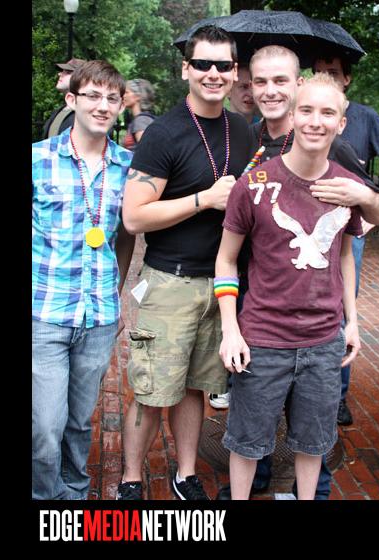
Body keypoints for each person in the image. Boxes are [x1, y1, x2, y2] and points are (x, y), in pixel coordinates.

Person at [214, 45, 379, 500]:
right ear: (292, 117)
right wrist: (231, 330)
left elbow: (345, 254)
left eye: (327, 113)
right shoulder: (254, 185)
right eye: (306, 111)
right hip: (263, 338)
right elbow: (226, 259)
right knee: (247, 442)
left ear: (341, 123)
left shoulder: (346, 187)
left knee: (313, 443)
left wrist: (352, 321)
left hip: (323, 341)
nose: (315, 121)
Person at [116, 25, 251, 501]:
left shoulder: (242, 129)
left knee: (196, 388)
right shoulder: (163, 133)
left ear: (234, 72)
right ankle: (131, 479)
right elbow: (134, 216)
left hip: (221, 285)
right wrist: (203, 200)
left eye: (223, 65)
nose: (213, 73)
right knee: (153, 390)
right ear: (185, 70)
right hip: (169, 282)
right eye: (203, 64)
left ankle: (186, 473)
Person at [32, 60, 135, 500]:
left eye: (112, 98)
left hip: (98, 316)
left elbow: (127, 236)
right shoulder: (37, 159)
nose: (102, 105)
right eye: (92, 95)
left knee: (78, 421)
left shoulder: (129, 167)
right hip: (45, 313)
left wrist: (117, 295)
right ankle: (45, 496)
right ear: (72, 100)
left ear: (120, 107)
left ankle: (74, 490)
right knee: (45, 424)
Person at [313, 49, 379, 426]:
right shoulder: (307, 114)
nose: (327, 76)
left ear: (346, 79)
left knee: (343, 308)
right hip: (308, 227)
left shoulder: (365, 117)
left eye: (333, 71)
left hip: (348, 231)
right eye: (319, 71)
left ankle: (338, 394)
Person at [41, 58, 86, 140]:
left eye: (68, 72)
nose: (60, 74)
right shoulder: (59, 111)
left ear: (82, 79)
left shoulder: (87, 114)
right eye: (62, 71)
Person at [122, 78, 157, 151]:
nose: (123, 96)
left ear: (138, 96)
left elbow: (147, 151)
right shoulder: (142, 119)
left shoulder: (141, 121)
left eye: (127, 92)